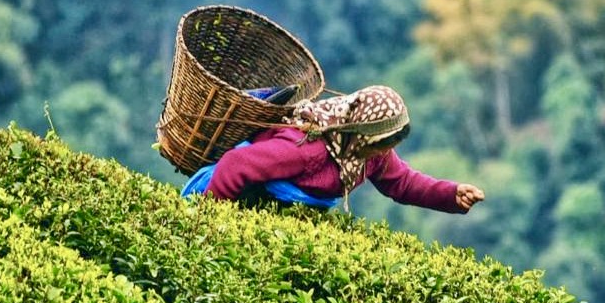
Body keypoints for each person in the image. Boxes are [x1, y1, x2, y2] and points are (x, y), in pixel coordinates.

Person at [185, 85, 484, 213]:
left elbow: (403, 182)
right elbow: (236, 164)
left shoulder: (372, 153)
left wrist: (450, 194)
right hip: (247, 205)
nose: (385, 154)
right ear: (360, 135)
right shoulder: (307, 149)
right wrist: (211, 220)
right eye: (382, 145)